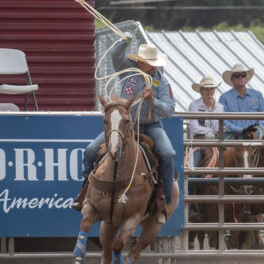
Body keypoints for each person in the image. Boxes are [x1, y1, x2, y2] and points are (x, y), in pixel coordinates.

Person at [71, 38, 176, 213]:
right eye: (150, 63)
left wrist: (153, 101)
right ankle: (85, 190)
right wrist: (123, 41)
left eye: (155, 63)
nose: (154, 67)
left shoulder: (162, 82)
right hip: (123, 125)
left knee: (168, 153)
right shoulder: (127, 72)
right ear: (140, 62)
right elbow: (115, 54)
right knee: (90, 150)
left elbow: (169, 111)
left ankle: (163, 196)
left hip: (151, 126)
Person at [219, 63, 264, 139]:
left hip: (255, 136)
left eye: (243, 75)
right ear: (232, 79)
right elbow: (223, 122)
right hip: (233, 137)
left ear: (246, 78)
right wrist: (241, 131)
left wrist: (256, 132)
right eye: (237, 76)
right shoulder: (224, 98)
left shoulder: (258, 95)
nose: (240, 77)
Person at [188, 76, 224, 169]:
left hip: (216, 142)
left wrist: (213, 110)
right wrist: (210, 132)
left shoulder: (219, 107)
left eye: (211, 89)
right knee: (193, 168)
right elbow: (193, 128)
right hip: (199, 142)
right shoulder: (194, 105)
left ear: (214, 90)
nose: (209, 92)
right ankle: (193, 182)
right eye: (206, 89)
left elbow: (217, 129)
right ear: (201, 91)